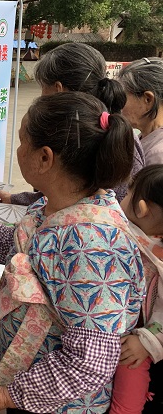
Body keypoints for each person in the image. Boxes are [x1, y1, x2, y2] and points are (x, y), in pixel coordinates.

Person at [0, 92, 144, 413]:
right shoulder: (52, 204)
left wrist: (4, 397)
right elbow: (13, 249)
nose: (17, 150)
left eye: (21, 142)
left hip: (53, 404)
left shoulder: (93, 243)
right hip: (24, 379)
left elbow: (89, 362)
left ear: (45, 158)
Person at [0, 42, 143, 205]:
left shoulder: (104, 139)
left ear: (58, 89)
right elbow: (63, 191)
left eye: (43, 87)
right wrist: (16, 199)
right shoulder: (80, 129)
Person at [109, 165, 163, 414]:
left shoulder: (156, 255)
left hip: (140, 333)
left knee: (131, 365)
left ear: (141, 207)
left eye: (128, 193)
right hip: (116, 324)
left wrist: (147, 341)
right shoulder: (131, 232)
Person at [117, 57, 163, 165]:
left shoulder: (157, 155)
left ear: (148, 99)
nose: (119, 105)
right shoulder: (145, 138)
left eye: (123, 98)